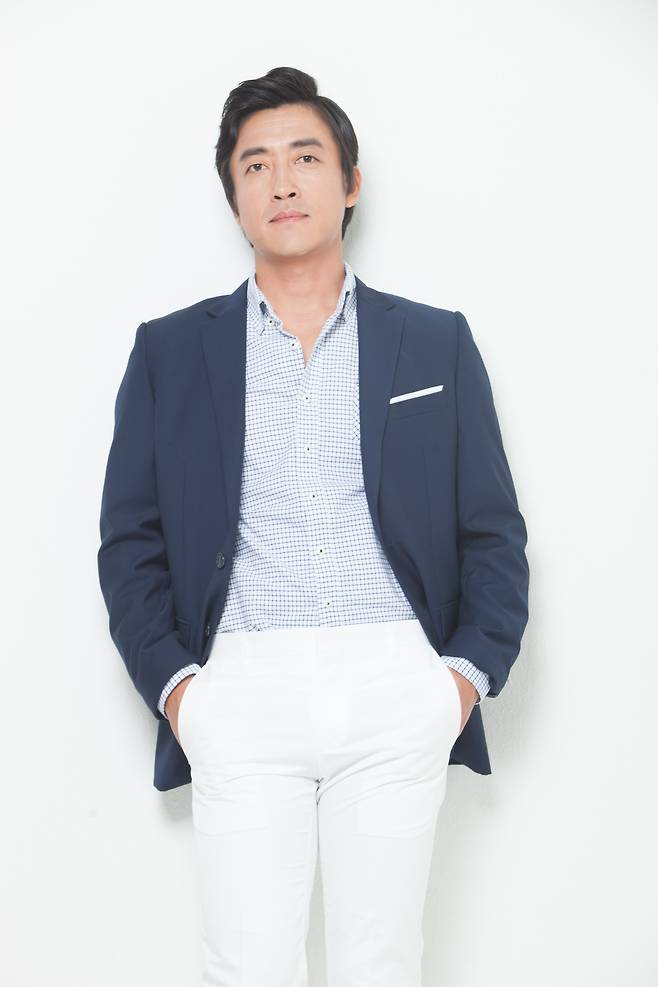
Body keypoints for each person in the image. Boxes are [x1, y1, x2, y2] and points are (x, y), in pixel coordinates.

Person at [97, 65, 529, 987]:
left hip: (396, 682)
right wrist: (181, 693)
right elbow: (129, 542)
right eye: (255, 165)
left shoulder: (436, 341)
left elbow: (493, 531)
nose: (282, 182)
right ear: (234, 196)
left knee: (383, 964)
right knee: (248, 966)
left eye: (305, 157)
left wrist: (457, 682)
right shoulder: (169, 351)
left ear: (350, 181)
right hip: (240, 689)